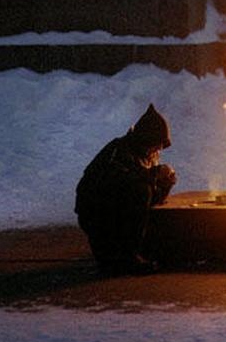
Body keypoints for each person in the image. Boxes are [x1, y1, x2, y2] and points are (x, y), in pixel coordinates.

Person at [75, 103, 177, 274]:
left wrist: (165, 184)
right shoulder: (118, 151)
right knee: (141, 190)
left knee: (146, 190)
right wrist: (153, 175)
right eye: (156, 144)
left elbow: (151, 196)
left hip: (116, 215)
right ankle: (126, 257)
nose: (158, 149)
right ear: (145, 139)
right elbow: (118, 185)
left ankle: (133, 250)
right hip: (98, 217)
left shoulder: (146, 155)